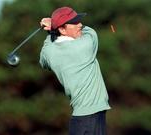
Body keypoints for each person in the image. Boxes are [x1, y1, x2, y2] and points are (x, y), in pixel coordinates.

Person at [39, 6, 111, 135]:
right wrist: (52, 27)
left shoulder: (50, 52)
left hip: (81, 119)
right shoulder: (85, 44)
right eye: (74, 23)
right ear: (62, 29)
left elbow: (43, 60)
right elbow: (91, 32)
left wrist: (51, 31)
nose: (80, 25)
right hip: (91, 118)